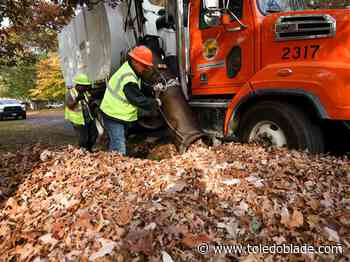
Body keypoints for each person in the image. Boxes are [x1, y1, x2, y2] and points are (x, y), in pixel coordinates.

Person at [100, 45, 160, 155]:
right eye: (144, 65)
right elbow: (137, 99)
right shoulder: (128, 78)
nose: (146, 69)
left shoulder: (130, 70)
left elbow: (139, 86)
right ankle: (117, 168)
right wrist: (154, 103)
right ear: (135, 61)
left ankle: (110, 163)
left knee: (115, 143)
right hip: (113, 114)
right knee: (119, 147)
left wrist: (151, 89)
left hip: (116, 113)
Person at [65, 73, 98, 152]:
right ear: (78, 85)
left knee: (94, 135)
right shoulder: (70, 93)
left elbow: (88, 103)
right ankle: (82, 152)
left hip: (88, 117)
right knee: (83, 139)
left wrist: (92, 104)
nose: (86, 88)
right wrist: (77, 99)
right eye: (84, 86)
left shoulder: (85, 92)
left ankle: (89, 150)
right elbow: (70, 106)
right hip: (77, 119)